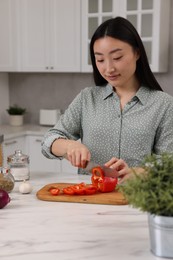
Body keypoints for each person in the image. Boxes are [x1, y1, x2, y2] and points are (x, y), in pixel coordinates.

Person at [41, 16, 173, 183]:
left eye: (117, 58)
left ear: (137, 53)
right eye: (100, 60)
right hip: (88, 197)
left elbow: (168, 163)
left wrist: (142, 172)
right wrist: (68, 146)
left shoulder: (163, 104)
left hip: (136, 198)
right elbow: (48, 141)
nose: (109, 68)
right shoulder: (86, 98)